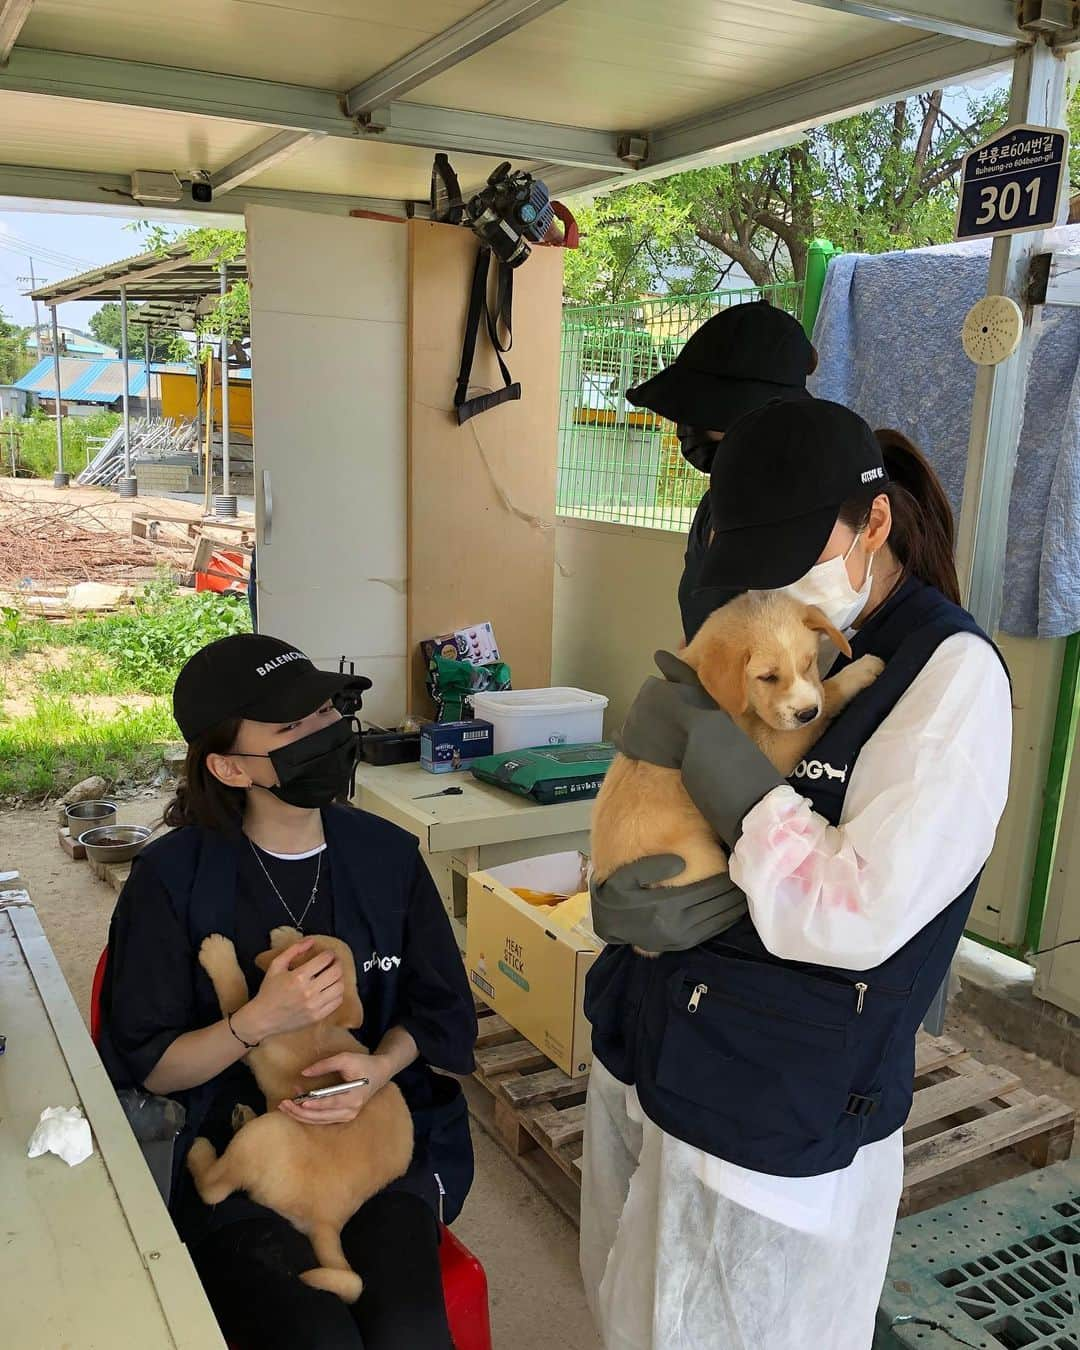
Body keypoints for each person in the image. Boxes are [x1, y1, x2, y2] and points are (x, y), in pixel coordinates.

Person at [580, 400, 1012, 1350]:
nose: (774, 583)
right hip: (660, 1041)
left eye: (795, 550)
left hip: (781, 1104)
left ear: (876, 525)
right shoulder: (769, 622)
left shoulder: (950, 679)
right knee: (630, 1306)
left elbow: (855, 914)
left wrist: (736, 788)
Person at [97, 633, 477, 1350]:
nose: (324, 730)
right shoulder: (170, 881)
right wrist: (254, 1021)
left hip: (369, 1144)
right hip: (237, 1148)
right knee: (315, 1337)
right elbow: (149, 1065)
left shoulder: (386, 857)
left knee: (410, 1328)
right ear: (230, 766)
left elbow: (441, 1012)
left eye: (324, 710)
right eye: (290, 726)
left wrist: (377, 1070)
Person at [625, 299, 817, 643]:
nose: (689, 427)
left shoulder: (801, 514)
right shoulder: (715, 504)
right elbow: (699, 629)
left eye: (704, 415)